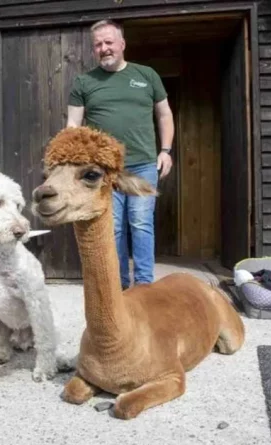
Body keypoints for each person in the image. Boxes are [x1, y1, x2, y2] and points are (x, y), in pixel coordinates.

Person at [66, 19, 175, 290]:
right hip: (103, 169)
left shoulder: (146, 75)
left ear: (122, 44)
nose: (103, 48)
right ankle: (117, 285)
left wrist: (166, 151)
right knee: (111, 227)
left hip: (142, 165)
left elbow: (164, 114)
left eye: (108, 42)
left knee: (140, 224)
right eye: (98, 45)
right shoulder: (84, 82)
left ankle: (144, 286)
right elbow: (72, 126)